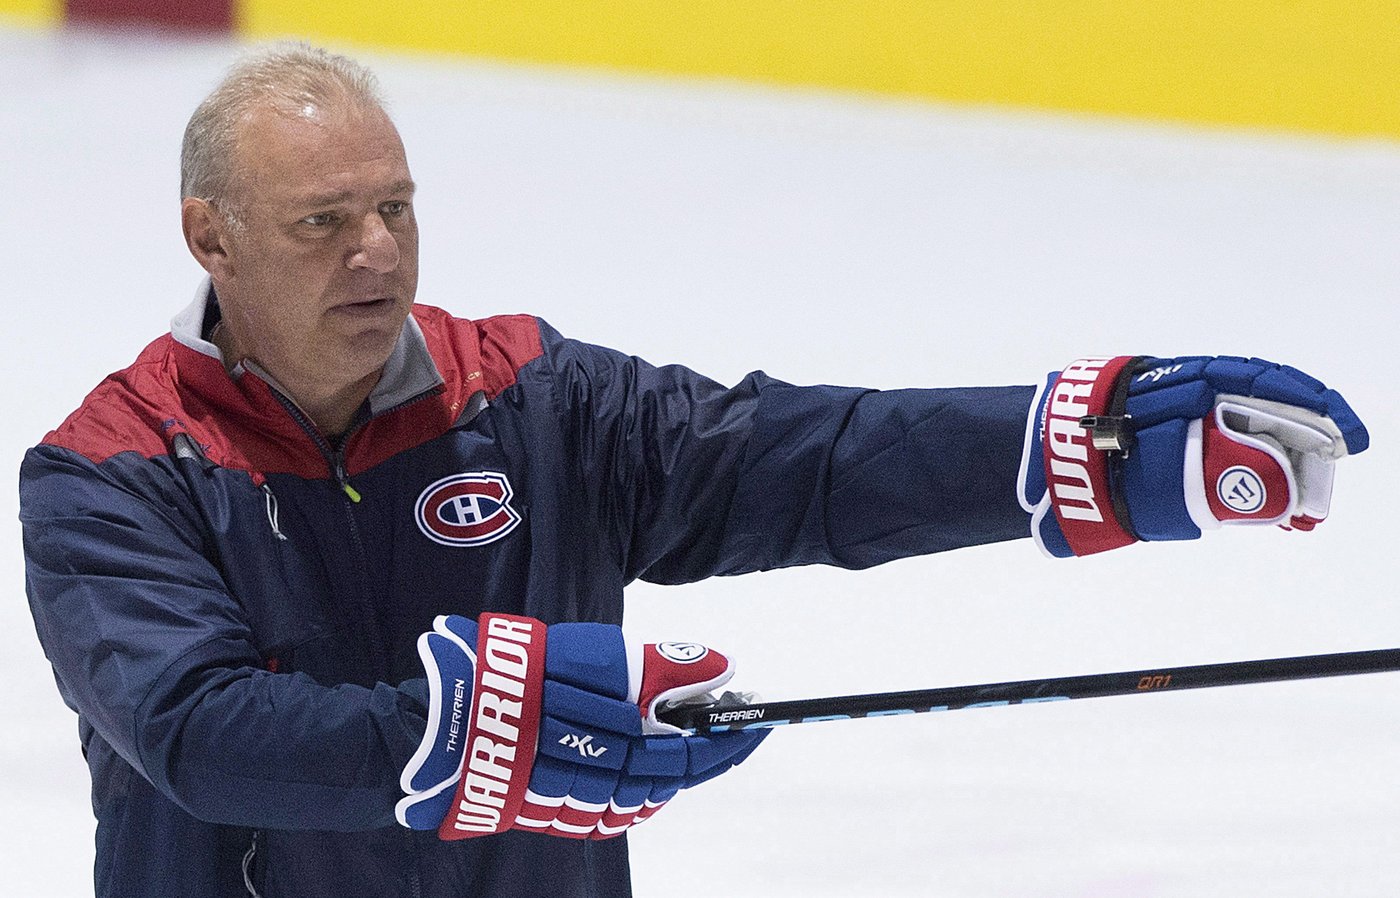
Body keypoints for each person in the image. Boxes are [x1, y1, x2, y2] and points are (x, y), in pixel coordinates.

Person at [19, 43, 1368, 898]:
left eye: (395, 207)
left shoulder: (532, 397)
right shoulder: (112, 472)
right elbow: (199, 732)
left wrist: (1077, 449)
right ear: (211, 235)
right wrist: (484, 729)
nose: (376, 253)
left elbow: (796, 459)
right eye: (322, 222)